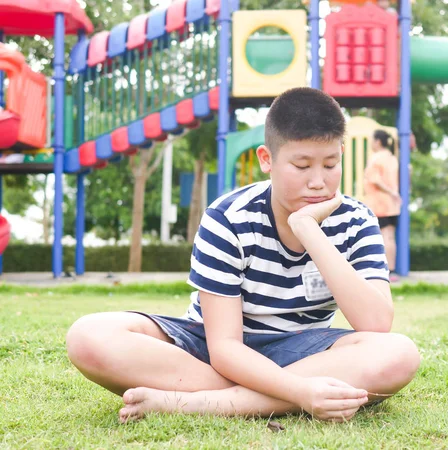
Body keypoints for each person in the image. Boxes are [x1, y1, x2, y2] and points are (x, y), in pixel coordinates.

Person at [66, 88, 420, 424]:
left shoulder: (357, 220)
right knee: (89, 335)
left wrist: (310, 231)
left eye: (330, 164)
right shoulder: (229, 217)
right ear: (267, 159)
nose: (318, 181)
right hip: (212, 349)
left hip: (303, 350)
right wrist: (301, 390)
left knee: (398, 354)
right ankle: (264, 398)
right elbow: (225, 347)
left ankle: (197, 404)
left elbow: (375, 324)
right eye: (301, 166)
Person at [363, 130, 401, 282]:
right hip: (392, 205)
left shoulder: (376, 158)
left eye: (372, 140)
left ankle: (381, 271)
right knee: (390, 237)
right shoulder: (392, 158)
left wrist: (390, 192)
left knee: (380, 237)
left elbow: (375, 180)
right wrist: (394, 193)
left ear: (378, 142)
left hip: (379, 203)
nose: (371, 143)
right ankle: (392, 271)